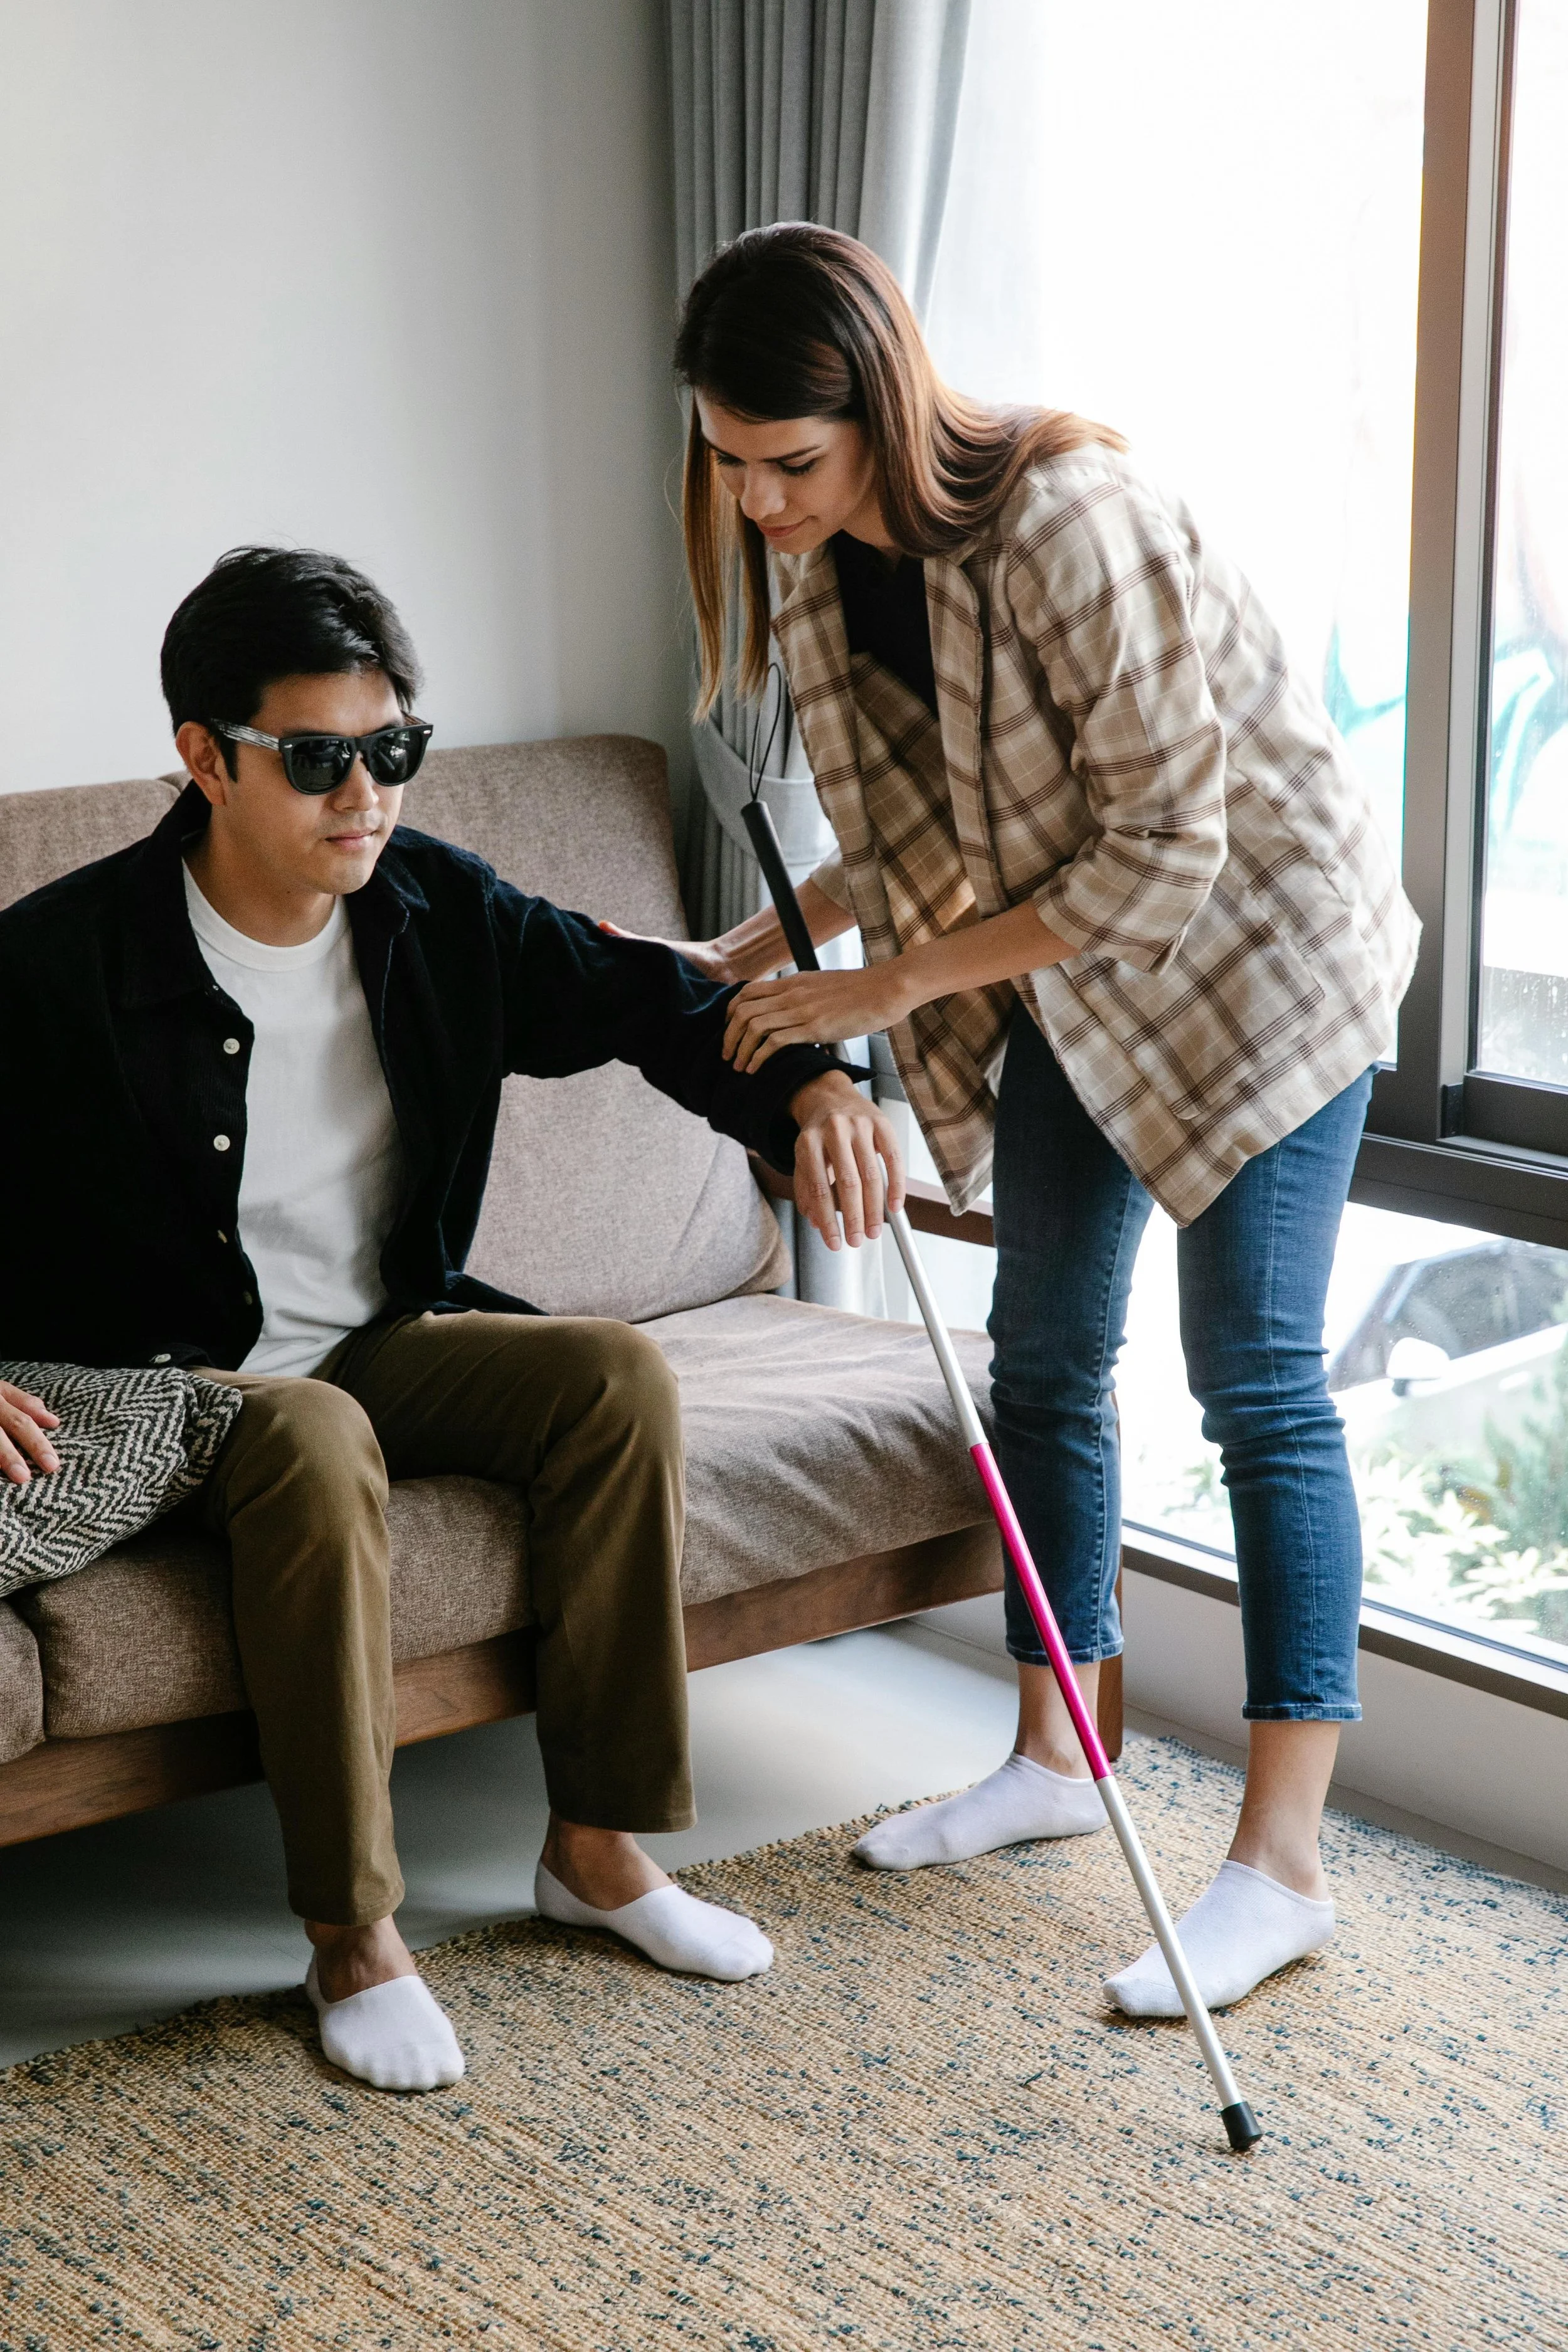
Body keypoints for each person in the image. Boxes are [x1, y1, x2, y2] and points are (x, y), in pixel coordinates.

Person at [0, 545, 901, 2090]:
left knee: (608, 1378)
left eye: (393, 751)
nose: (366, 796)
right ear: (206, 759)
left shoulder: (431, 909)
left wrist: (812, 1083)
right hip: (159, 1387)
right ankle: (354, 1934)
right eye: (321, 760)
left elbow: (650, 1001)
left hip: (377, 1332)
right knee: (313, 1432)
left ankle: (597, 1851)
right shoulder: (61, 963)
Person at [662, 223, 1419, 2018]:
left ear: (883, 404)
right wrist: (749, 946)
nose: (759, 501)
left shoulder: (1074, 519)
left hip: (1257, 967)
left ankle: (1278, 1865)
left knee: (1253, 1373)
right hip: (1071, 973)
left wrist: (883, 992)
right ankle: (1061, 1752)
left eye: (791, 460)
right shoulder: (819, 560)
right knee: (1045, 1358)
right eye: (725, 459)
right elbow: (942, 829)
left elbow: (1163, 845)